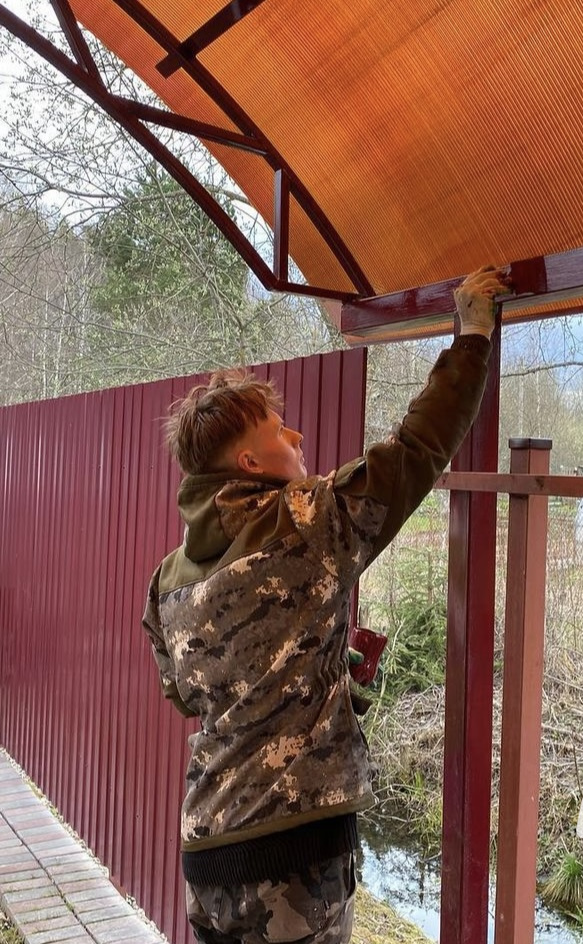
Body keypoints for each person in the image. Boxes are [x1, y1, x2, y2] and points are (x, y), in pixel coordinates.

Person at [142, 265, 509, 944]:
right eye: (281, 431)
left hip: (207, 851)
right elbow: (417, 449)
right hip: (294, 852)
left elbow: (187, 694)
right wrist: (474, 333)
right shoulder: (307, 521)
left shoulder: (166, 579)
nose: (298, 440)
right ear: (249, 463)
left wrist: (310, 659)